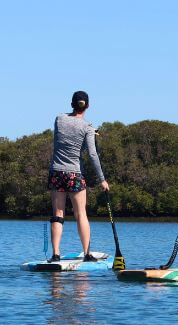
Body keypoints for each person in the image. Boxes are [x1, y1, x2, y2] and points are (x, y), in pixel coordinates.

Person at [47, 90, 109, 262]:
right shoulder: (87, 127)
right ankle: (87, 253)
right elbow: (92, 154)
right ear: (87, 106)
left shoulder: (59, 119)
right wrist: (102, 179)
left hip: (56, 172)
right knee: (81, 213)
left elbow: (67, 133)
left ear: (71, 104)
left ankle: (55, 254)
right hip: (74, 173)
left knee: (57, 214)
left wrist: (89, 131)